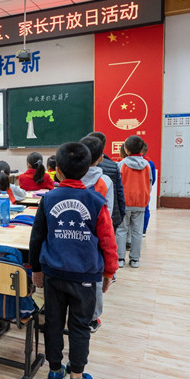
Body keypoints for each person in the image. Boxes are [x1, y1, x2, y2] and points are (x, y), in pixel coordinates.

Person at [29, 142, 118, 379]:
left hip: (53, 274)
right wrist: (109, 271)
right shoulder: (96, 201)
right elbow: (108, 241)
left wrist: (36, 269)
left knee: (53, 323)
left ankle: (54, 371)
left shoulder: (48, 199)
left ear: (57, 170)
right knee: (80, 326)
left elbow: (36, 237)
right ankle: (77, 376)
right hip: (85, 277)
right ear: (88, 167)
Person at [79, 135, 115, 333]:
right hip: (95, 235)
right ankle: (93, 318)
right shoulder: (105, 180)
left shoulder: (72, 175)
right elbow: (108, 212)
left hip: (71, 232)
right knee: (94, 279)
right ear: (101, 157)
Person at [116, 135, 152, 268]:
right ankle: (135, 260)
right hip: (140, 203)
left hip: (124, 202)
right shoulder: (147, 165)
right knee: (137, 232)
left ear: (126, 149)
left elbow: (118, 184)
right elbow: (149, 183)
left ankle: (120, 258)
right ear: (141, 149)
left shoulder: (121, 164)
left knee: (121, 230)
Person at [87, 132, 126, 231]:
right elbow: (119, 192)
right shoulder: (113, 165)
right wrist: (121, 214)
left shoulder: (78, 168)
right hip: (111, 216)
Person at [141, 143, 156, 236]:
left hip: (130, 191)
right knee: (145, 209)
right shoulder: (150, 163)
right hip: (144, 191)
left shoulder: (125, 162)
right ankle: (143, 229)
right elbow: (153, 179)